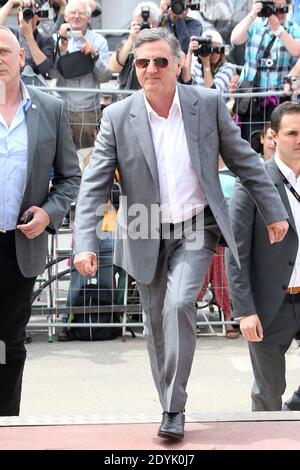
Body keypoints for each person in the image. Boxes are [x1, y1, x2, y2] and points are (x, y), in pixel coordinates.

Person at [73, 27, 288, 440]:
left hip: (196, 225)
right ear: (134, 68)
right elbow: (94, 185)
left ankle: (174, 407)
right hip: (143, 227)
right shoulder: (117, 117)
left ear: (178, 64)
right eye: (141, 63)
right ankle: (168, 402)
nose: (150, 69)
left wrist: (274, 212)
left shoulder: (206, 104)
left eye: (159, 61)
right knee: (155, 325)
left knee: (178, 304)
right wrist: (84, 242)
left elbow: (244, 160)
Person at [0, 26, 81, 416]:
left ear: (21, 58)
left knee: (10, 340)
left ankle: (6, 422)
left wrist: (49, 212)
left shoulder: (50, 109)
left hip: (20, 245)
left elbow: (70, 177)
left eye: (4, 51)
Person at [226, 101, 300, 411]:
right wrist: (245, 311)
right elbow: (236, 253)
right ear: (272, 136)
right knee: (269, 391)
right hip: (271, 305)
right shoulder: (252, 183)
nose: (299, 140)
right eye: (291, 133)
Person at [231, 0, 300, 141]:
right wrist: (253, 13)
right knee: (250, 142)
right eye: (275, 9)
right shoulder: (256, 25)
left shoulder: (293, 28)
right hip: (251, 97)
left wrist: (279, 29)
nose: (279, 13)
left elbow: (296, 50)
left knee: (276, 141)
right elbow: (235, 39)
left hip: (278, 97)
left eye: (283, 9)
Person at [50, 0, 110, 149]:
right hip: (61, 107)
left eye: (81, 13)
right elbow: (53, 74)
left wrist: (93, 55)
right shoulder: (55, 39)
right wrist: (62, 47)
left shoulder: (98, 41)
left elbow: (104, 77)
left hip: (88, 109)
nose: (76, 16)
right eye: (72, 12)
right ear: (65, 17)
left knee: (86, 156)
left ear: (89, 18)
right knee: (62, 156)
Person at [108, 1, 161, 91]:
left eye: (146, 24)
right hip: (129, 94)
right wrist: (131, 40)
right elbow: (113, 68)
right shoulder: (127, 41)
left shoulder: (163, 42)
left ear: (155, 24)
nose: (144, 27)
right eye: (139, 24)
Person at [0, 0, 55, 79]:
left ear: (38, 16)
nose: (28, 16)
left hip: (36, 85)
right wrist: (11, 2)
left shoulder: (46, 39)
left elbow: (44, 68)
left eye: (31, 13)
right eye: (24, 12)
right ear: (18, 16)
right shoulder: (11, 33)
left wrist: (29, 36)